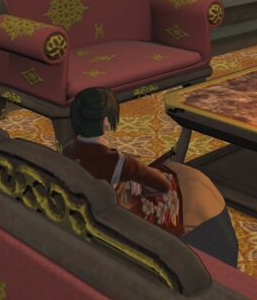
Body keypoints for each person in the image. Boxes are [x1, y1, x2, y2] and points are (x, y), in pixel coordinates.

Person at [63, 88, 239, 266]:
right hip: (124, 216)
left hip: (101, 206)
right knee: (195, 189)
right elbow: (161, 185)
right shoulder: (118, 161)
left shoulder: (68, 150)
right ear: (106, 122)